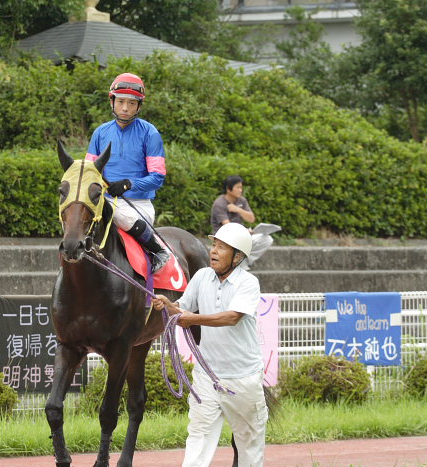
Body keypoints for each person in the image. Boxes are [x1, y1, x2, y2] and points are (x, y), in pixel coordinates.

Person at [152, 223, 268, 467]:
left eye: (222, 247)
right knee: (198, 439)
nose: (213, 251)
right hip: (207, 376)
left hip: (243, 379)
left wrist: (191, 319)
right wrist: (168, 304)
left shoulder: (248, 283)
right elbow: (183, 308)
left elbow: (232, 317)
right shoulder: (202, 276)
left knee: (249, 446)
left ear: (237, 257)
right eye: (213, 245)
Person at [86, 72, 170, 272]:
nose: (125, 108)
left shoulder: (150, 133)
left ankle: (159, 251)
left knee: (118, 215)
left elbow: (158, 177)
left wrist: (129, 184)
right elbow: (90, 172)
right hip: (104, 200)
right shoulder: (100, 133)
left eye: (132, 103)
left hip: (137, 204)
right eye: (121, 101)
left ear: (139, 106)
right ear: (112, 101)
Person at [210, 175, 274, 269]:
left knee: (266, 239)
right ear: (228, 189)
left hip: (241, 236)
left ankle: (244, 262)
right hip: (225, 239)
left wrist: (238, 209)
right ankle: (240, 264)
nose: (241, 190)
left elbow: (251, 219)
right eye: (238, 187)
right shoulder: (219, 203)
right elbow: (228, 228)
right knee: (237, 241)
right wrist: (245, 232)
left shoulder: (242, 201)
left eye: (241, 187)